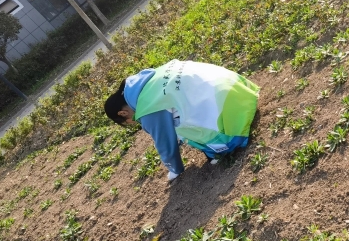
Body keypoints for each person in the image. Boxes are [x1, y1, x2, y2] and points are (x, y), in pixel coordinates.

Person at [104, 60, 260, 181]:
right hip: (239, 89)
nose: (134, 122)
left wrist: (174, 169)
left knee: (180, 128)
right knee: (176, 114)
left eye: (129, 121)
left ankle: (221, 147)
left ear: (123, 113)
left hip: (232, 112)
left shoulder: (146, 108)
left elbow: (165, 142)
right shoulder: (145, 80)